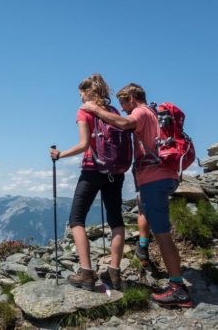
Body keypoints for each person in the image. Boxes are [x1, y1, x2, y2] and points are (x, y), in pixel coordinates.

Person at [81, 83, 193, 307]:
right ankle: (143, 248)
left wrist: (95, 110)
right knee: (143, 207)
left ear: (132, 98)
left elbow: (125, 123)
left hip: (154, 178)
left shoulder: (140, 112)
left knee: (162, 233)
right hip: (165, 176)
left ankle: (178, 289)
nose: (123, 109)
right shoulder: (153, 112)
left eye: (124, 103)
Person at [50, 73, 126, 291]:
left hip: (93, 169)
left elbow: (84, 145)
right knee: (116, 221)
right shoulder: (112, 112)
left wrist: (60, 154)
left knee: (76, 219)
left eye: (81, 94)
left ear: (87, 92)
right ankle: (114, 272)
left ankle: (86, 273)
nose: (80, 99)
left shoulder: (84, 111)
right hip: (115, 171)